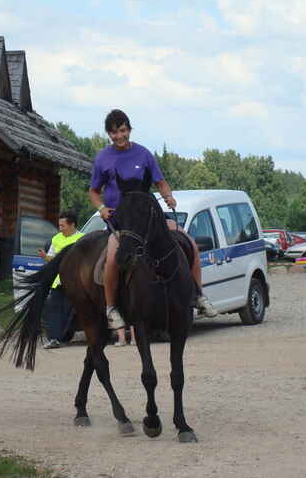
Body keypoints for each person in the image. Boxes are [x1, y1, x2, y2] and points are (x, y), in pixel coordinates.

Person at [88, 109, 217, 330]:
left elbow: (161, 182)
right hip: (122, 220)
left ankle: (198, 295)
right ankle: (111, 308)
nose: (118, 136)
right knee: (111, 258)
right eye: (113, 133)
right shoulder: (103, 158)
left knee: (190, 243)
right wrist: (101, 208)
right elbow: (93, 191)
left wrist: (168, 196)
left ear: (129, 129)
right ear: (108, 134)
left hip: (149, 216)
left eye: (122, 131)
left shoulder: (144, 154)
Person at [39, 211, 84, 349]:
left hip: (76, 282)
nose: (60, 228)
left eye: (62, 225)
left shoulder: (82, 238)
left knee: (69, 310)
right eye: (59, 225)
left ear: (72, 225)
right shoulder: (56, 239)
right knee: (54, 310)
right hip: (58, 282)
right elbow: (52, 259)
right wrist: (45, 256)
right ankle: (54, 339)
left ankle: (62, 337)